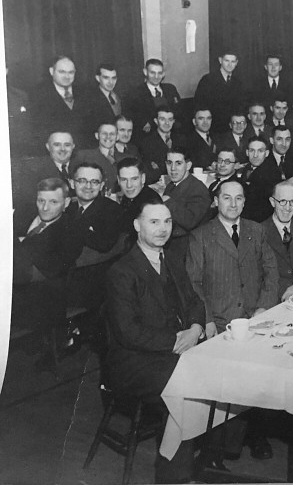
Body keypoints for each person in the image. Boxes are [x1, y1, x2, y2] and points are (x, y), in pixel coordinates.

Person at [105, 201, 206, 483]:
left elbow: (195, 301)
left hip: (173, 350)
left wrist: (196, 329)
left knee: (221, 372)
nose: (163, 229)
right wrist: (176, 341)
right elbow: (127, 332)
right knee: (187, 387)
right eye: (154, 222)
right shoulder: (122, 271)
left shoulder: (171, 259)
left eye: (168, 222)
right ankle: (174, 478)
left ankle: (209, 459)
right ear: (137, 225)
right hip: (133, 362)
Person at [187, 180, 279, 334]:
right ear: (216, 201)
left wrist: (264, 307)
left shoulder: (257, 230)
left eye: (238, 198)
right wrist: (207, 320)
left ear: (244, 202)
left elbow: (271, 272)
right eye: (227, 198)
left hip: (256, 317)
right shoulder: (200, 236)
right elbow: (194, 284)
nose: (233, 204)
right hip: (220, 324)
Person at [13, 178, 84, 358]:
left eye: (53, 202)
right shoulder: (27, 218)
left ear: (66, 203)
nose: (44, 208)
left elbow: (48, 267)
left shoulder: (69, 230)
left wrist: (15, 242)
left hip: (40, 301)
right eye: (41, 201)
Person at [65, 162, 124, 307]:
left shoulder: (111, 209)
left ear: (102, 185)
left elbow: (104, 244)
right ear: (72, 183)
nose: (88, 186)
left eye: (94, 182)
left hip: (95, 284)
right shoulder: (69, 208)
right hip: (69, 276)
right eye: (82, 181)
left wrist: (72, 225)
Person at [160, 148, 212, 260]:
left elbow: (189, 221)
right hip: (173, 242)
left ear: (188, 165)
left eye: (178, 163)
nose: (173, 169)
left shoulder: (198, 189)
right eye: (169, 163)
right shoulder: (172, 184)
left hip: (187, 249)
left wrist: (168, 201)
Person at [29, 56, 91, 146]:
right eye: (62, 72)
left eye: (71, 72)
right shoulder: (37, 96)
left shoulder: (86, 93)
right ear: (51, 71)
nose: (67, 76)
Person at [127, 58, 182, 143]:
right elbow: (134, 117)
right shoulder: (136, 93)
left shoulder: (170, 89)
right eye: (152, 73)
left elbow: (179, 113)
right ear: (145, 72)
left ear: (163, 74)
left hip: (173, 136)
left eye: (159, 73)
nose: (156, 77)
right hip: (148, 139)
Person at [193, 52, 248, 134]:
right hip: (213, 128)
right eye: (227, 61)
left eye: (233, 62)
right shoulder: (208, 80)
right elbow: (200, 106)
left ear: (236, 63)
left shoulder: (238, 83)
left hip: (233, 129)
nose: (230, 64)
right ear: (220, 60)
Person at [117, 157, 162, 248]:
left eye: (134, 179)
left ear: (143, 179)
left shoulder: (150, 202)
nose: (129, 185)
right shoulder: (131, 196)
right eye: (124, 180)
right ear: (118, 180)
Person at [72, 121, 120, 192]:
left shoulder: (126, 158)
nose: (108, 137)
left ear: (117, 137)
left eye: (112, 134)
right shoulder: (83, 156)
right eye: (104, 133)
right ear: (97, 135)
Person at [140, 109, 185, 184]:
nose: (167, 123)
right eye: (162, 119)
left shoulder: (181, 139)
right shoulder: (147, 142)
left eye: (170, 119)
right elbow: (150, 172)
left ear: (173, 121)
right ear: (156, 121)